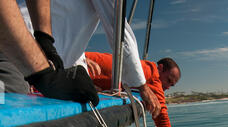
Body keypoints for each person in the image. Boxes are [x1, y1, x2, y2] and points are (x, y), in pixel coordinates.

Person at [0, 0, 160, 118]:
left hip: (35, 52)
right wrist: (141, 86)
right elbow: (118, 29)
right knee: (13, 112)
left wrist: (48, 46)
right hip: (13, 46)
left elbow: (71, 25)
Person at [86, 52, 181, 127]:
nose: (167, 87)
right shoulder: (153, 75)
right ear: (160, 68)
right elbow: (162, 118)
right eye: (168, 80)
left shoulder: (141, 66)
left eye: (171, 85)